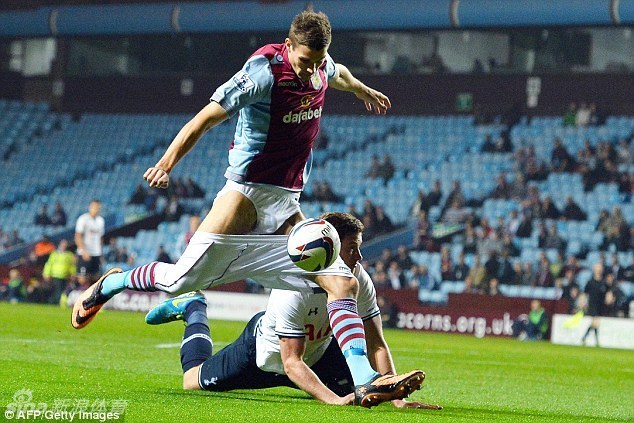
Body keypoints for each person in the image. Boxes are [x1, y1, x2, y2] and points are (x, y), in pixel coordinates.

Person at [71, 11, 419, 407]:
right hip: (246, 196)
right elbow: (205, 119)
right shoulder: (263, 73)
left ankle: (366, 380)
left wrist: (362, 90)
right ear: (288, 48)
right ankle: (111, 283)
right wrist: (166, 165)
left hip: (287, 205)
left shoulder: (322, 67)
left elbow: (340, 76)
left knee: (341, 281)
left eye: (318, 62)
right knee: (176, 281)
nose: (310, 72)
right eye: (304, 63)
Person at [145, 212, 437, 409]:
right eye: (352, 249)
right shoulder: (293, 286)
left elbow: (376, 343)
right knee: (191, 381)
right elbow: (290, 363)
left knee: (368, 391)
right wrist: (331, 399)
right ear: (330, 248)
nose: (359, 257)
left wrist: (395, 397)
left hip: (318, 355)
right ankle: (194, 308)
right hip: (263, 358)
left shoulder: (358, 278)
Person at [74, 199, 105, 287]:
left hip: (96, 253)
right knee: (82, 279)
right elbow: (77, 236)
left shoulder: (101, 221)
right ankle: (71, 293)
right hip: (85, 253)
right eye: (94, 207)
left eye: (98, 207)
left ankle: (91, 299)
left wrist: (101, 254)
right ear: (90, 207)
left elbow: (100, 238)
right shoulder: (83, 219)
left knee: (95, 279)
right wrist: (83, 251)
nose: (96, 209)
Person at [42, 239, 76, 305]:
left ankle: (56, 303)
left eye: (65, 245)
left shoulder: (69, 255)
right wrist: (46, 274)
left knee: (61, 291)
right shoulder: (54, 254)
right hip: (55, 275)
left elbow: (71, 265)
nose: (64, 246)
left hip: (65, 276)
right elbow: (49, 264)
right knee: (58, 291)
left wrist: (73, 274)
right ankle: (55, 303)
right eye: (63, 244)